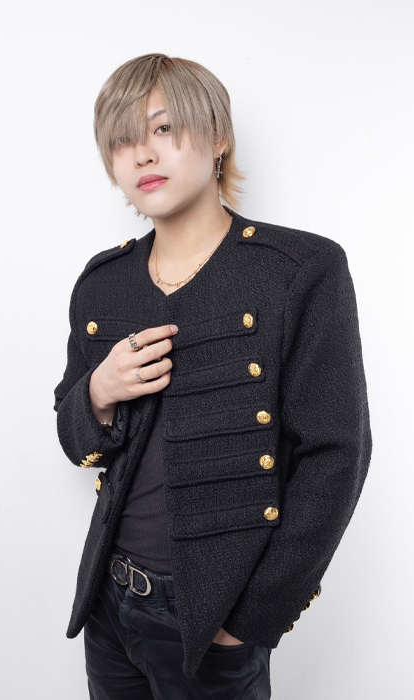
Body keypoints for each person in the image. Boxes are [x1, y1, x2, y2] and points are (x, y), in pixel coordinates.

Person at [54, 53, 371, 700]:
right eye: (122, 140)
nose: (142, 154)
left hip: (211, 619)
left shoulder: (298, 269)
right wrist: (98, 394)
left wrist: (249, 623)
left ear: (219, 136)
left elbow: (337, 455)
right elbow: (72, 434)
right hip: (107, 605)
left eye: (163, 128)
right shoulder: (102, 284)